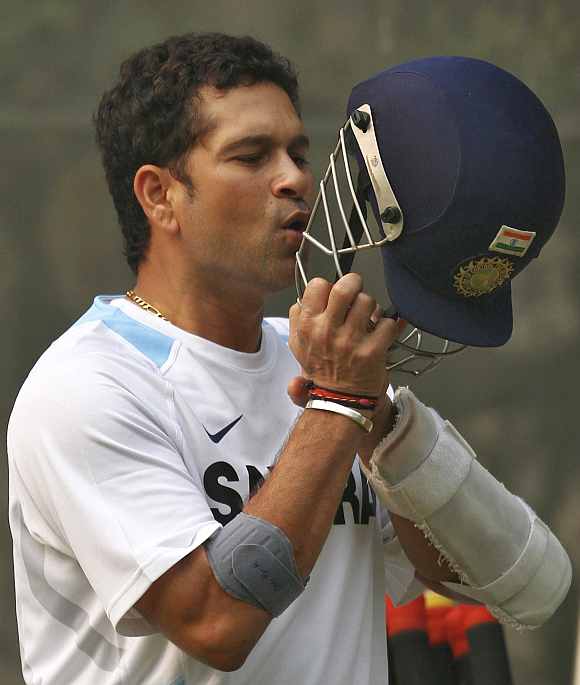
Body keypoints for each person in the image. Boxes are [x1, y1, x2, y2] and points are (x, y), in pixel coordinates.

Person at [7, 33, 571, 685]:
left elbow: (527, 586)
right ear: (160, 195)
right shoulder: (88, 384)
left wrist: (388, 430)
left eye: (299, 153)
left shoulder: (316, 358)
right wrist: (338, 403)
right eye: (252, 156)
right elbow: (216, 622)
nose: (295, 178)